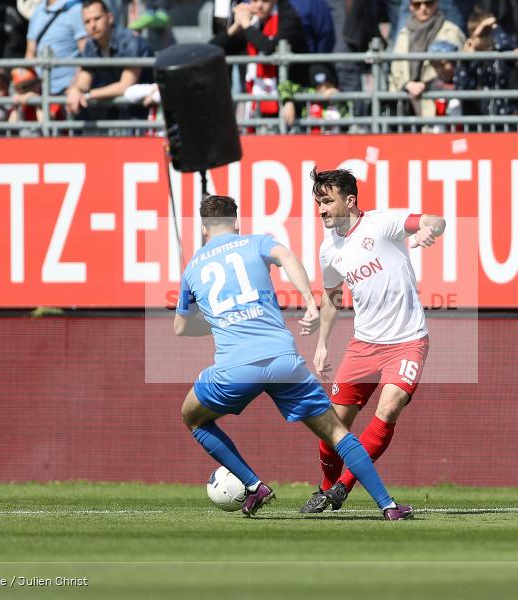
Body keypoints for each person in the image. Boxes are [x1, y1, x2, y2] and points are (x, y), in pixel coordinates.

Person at [176, 195, 414, 521]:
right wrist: (310, 302)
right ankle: (388, 507)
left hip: (235, 368)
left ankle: (254, 485)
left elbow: (181, 326)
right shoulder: (256, 242)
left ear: (204, 228)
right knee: (337, 433)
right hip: (282, 360)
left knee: (193, 416)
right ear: (236, 223)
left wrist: (221, 319)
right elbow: (286, 256)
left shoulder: (193, 267)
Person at [300, 168, 445, 513]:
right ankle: (326, 487)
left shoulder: (382, 223)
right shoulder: (328, 250)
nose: (321, 209)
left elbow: (435, 220)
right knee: (332, 426)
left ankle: (343, 486)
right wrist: (322, 344)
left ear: (350, 200)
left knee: (389, 407)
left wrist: (428, 229)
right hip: (364, 345)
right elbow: (332, 297)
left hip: (408, 340)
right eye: (318, 203)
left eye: (327, 201)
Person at [65, 0, 152, 120]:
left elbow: (125, 85)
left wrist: (88, 95)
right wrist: (76, 90)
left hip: (143, 111)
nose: (92, 25)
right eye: (87, 22)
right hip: (115, 112)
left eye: (97, 18)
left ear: (110, 18)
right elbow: (84, 80)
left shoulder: (130, 41)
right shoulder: (90, 45)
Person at [388, 0, 466, 119]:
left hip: (441, 109)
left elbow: (455, 71)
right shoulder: (403, 34)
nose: (423, 8)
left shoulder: (451, 32)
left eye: (428, 3)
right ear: (410, 6)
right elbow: (395, 72)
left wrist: (425, 85)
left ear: (437, 3)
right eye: (417, 4)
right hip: (406, 109)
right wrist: (407, 85)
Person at [25, 0, 87, 103]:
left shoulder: (77, 9)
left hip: (68, 93)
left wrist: (75, 87)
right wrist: (27, 88)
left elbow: (86, 53)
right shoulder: (38, 11)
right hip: (40, 92)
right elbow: (30, 54)